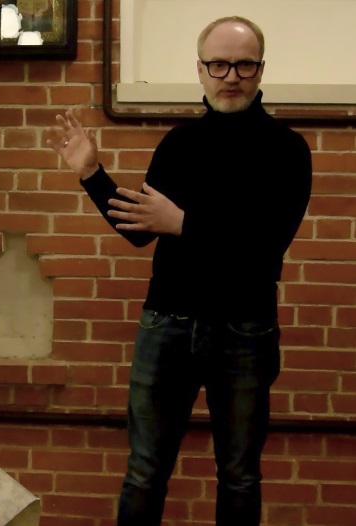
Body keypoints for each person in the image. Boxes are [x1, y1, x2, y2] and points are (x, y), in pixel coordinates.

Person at [44, 16, 312, 526]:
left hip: (245, 329)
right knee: (144, 472)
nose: (230, 76)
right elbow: (140, 230)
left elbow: (265, 246)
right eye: (219, 64)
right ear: (200, 69)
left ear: (260, 70)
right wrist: (92, 174)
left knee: (239, 475)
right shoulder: (179, 144)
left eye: (243, 65)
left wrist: (184, 224)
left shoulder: (287, 149)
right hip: (167, 325)